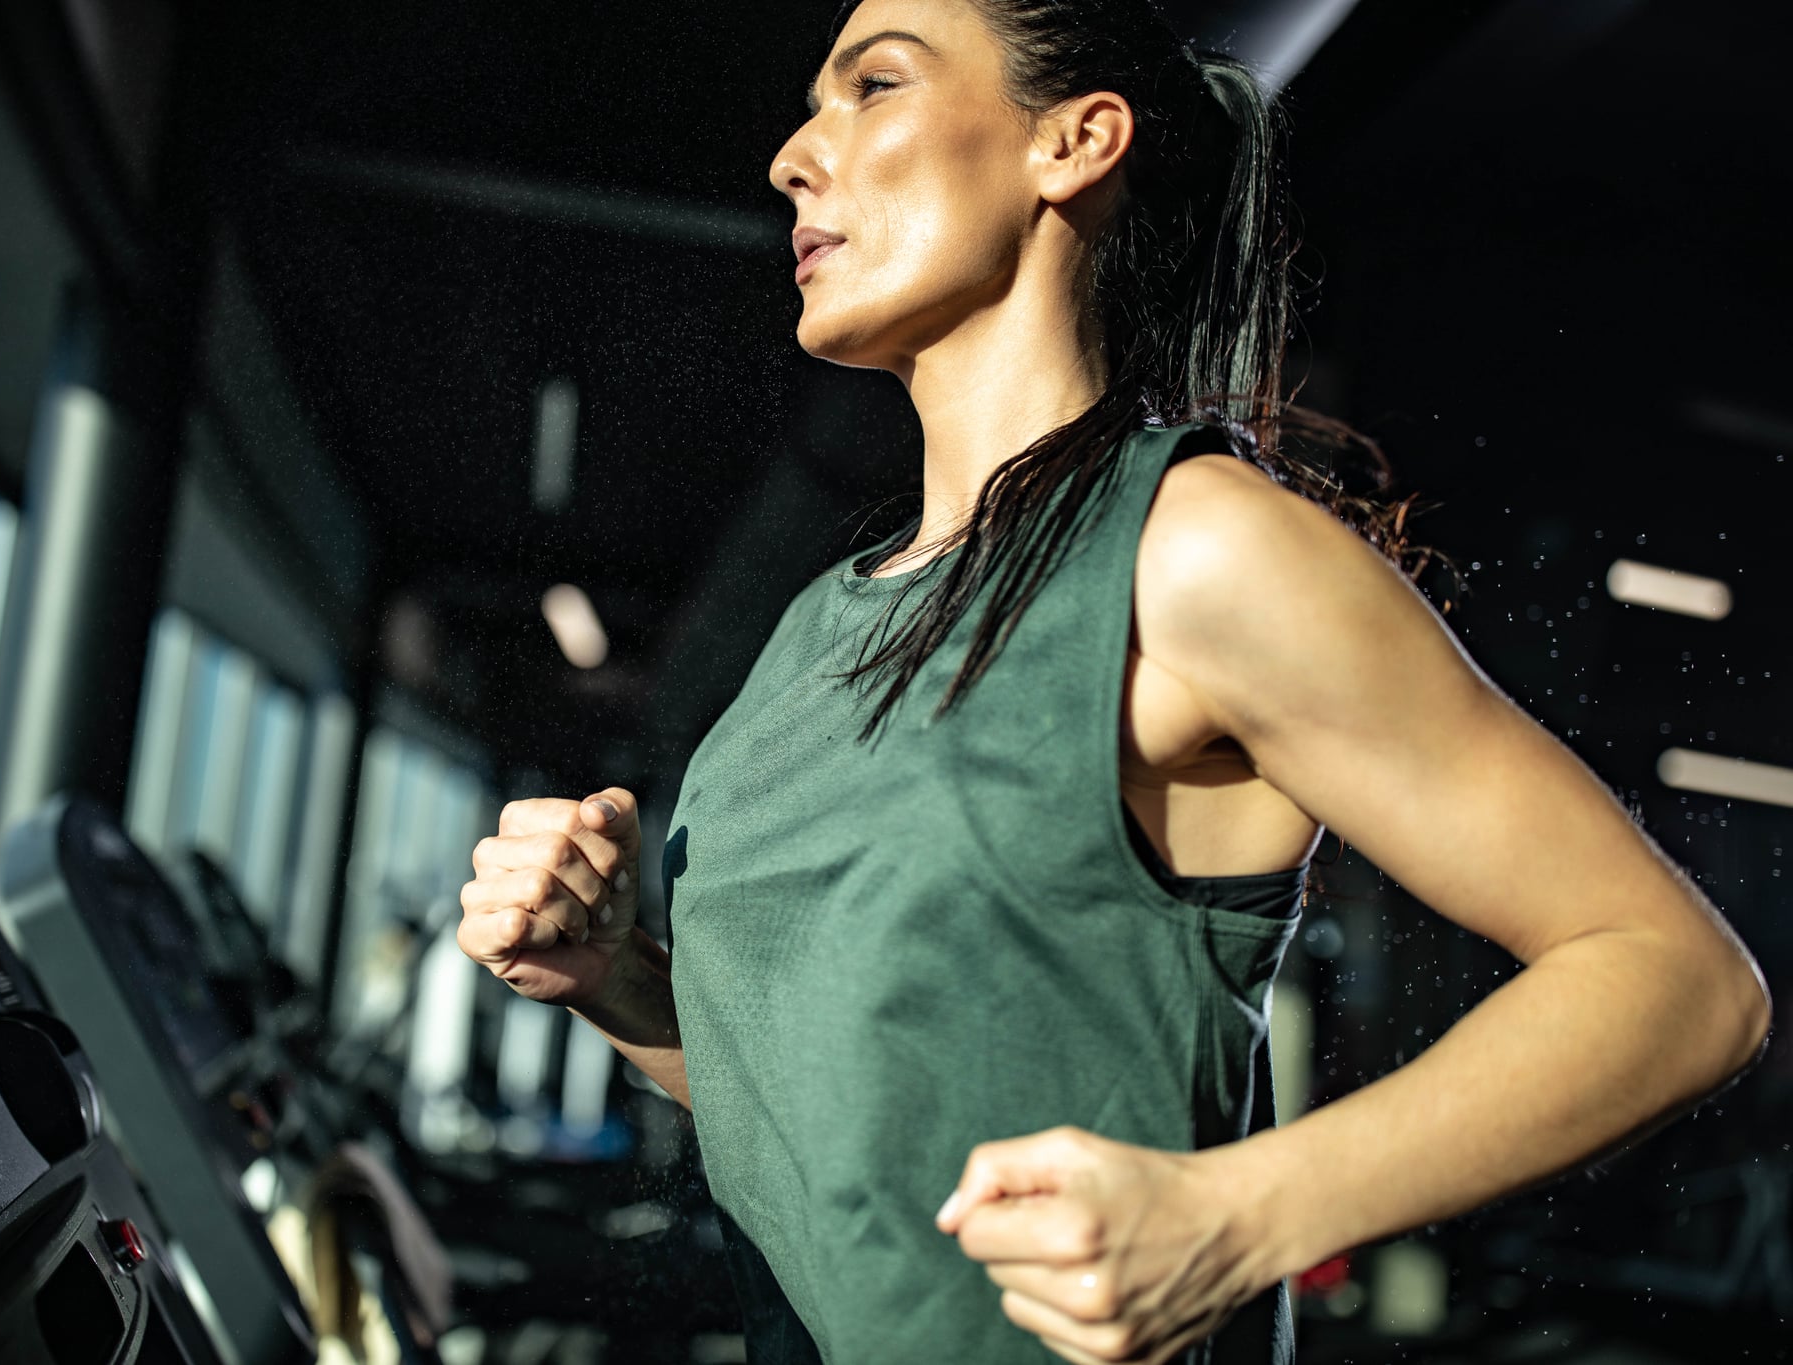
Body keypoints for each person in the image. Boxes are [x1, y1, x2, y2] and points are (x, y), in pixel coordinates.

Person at [459, 1, 1775, 1361]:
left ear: (1073, 143)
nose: (797, 153)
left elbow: (1677, 977)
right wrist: (615, 978)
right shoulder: (815, 631)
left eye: (873, 86)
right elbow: (824, 1119)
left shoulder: (1195, 549)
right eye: (812, 106)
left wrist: (1242, 1211)